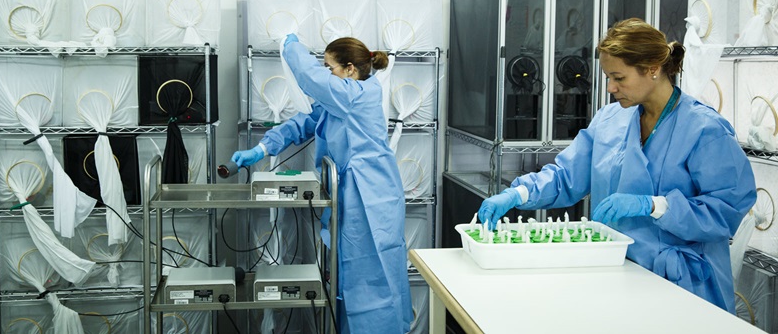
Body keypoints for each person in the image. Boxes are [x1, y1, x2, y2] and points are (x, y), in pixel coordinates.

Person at [478, 18, 756, 313]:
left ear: (652, 69)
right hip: (620, 271)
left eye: (619, 78)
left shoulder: (705, 130)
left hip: (685, 284)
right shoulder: (610, 119)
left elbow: (726, 210)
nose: (611, 87)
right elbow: (566, 177)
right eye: (607, 77)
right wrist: (518, 194)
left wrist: (656, 206)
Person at [231, 34, 413, 333]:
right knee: (345, 275)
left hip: (372, 198)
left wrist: (290, 45)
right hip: (350, 195)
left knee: (372, 280)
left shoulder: (357, 95)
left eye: (330, 67)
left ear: (350, 69)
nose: (326, 71)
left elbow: (311, 77)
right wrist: (262, 149)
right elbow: (303, 122)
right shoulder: (340, 100)